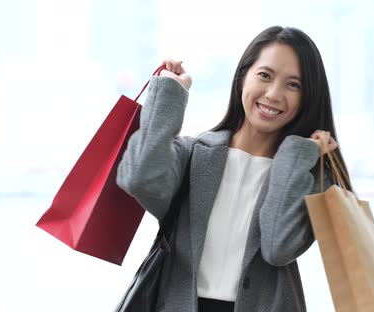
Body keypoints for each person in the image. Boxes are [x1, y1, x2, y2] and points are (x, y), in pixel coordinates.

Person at [117, 25, 353, 312]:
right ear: (243, 77)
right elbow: (139, 178)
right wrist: (169, 92)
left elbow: (279, 248)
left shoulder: (308, 178)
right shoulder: (195, 154)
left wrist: (297, 154)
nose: (274, 94)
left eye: (294, 85)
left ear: (307, 97)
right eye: (265, 76)